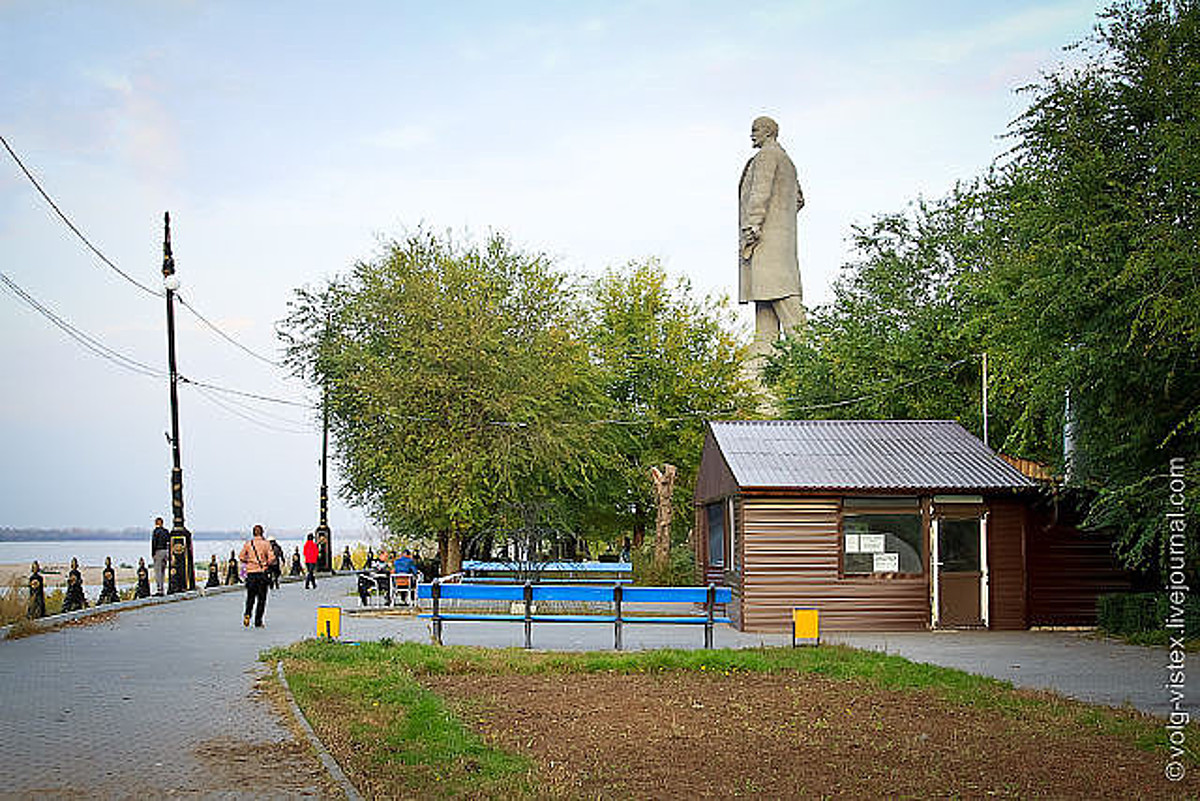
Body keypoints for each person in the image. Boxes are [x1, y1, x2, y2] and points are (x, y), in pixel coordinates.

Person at [738, 115, 805, 364]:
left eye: (755, 129)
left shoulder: (767, 156)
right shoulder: (787, 161)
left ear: (768, 132)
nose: (752, 134)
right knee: (765, 287)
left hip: (765, 233)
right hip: (781, 233)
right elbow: (799, 199)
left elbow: (760, 191)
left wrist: (754, 223)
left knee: (779, 286)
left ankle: (800, 342)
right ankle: (765, 340)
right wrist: (783, 214)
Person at [238, 525, 277, 627]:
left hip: (251, 574)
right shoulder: (266, 544)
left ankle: (247, 614)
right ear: (262, 533)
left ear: (253, 533)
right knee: (261, 598)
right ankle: (258, 621)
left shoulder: (248, 544)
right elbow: (272, 558)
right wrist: (266, 563)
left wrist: (249, 561)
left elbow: (241, 556)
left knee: (250, 597)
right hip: (262, 573)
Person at [151, 516, 171, 596]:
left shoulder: (156, 531)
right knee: (163, 571)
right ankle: (162, 588)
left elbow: (154, 543)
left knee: (158, 572)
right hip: (165, 551)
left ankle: (160, 590)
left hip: (158, 551)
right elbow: (169, 542)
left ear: (156, 523)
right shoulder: (166, 531)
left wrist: (153, 553)